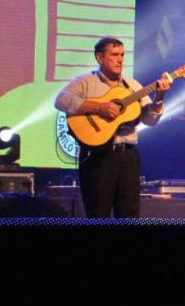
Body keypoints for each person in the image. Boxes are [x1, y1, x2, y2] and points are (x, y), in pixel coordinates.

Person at [55, 37, 172, 218]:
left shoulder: (132, 85)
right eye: (114, 55)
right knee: (98, 213)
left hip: (128, 157)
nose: (120, 60)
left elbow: (150, 120)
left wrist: (159, 97)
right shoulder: (86, 81)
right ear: (100, 58)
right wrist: (99, 107)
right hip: (98, 157)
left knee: (129, 214)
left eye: (122, 55)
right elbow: (61, 101)